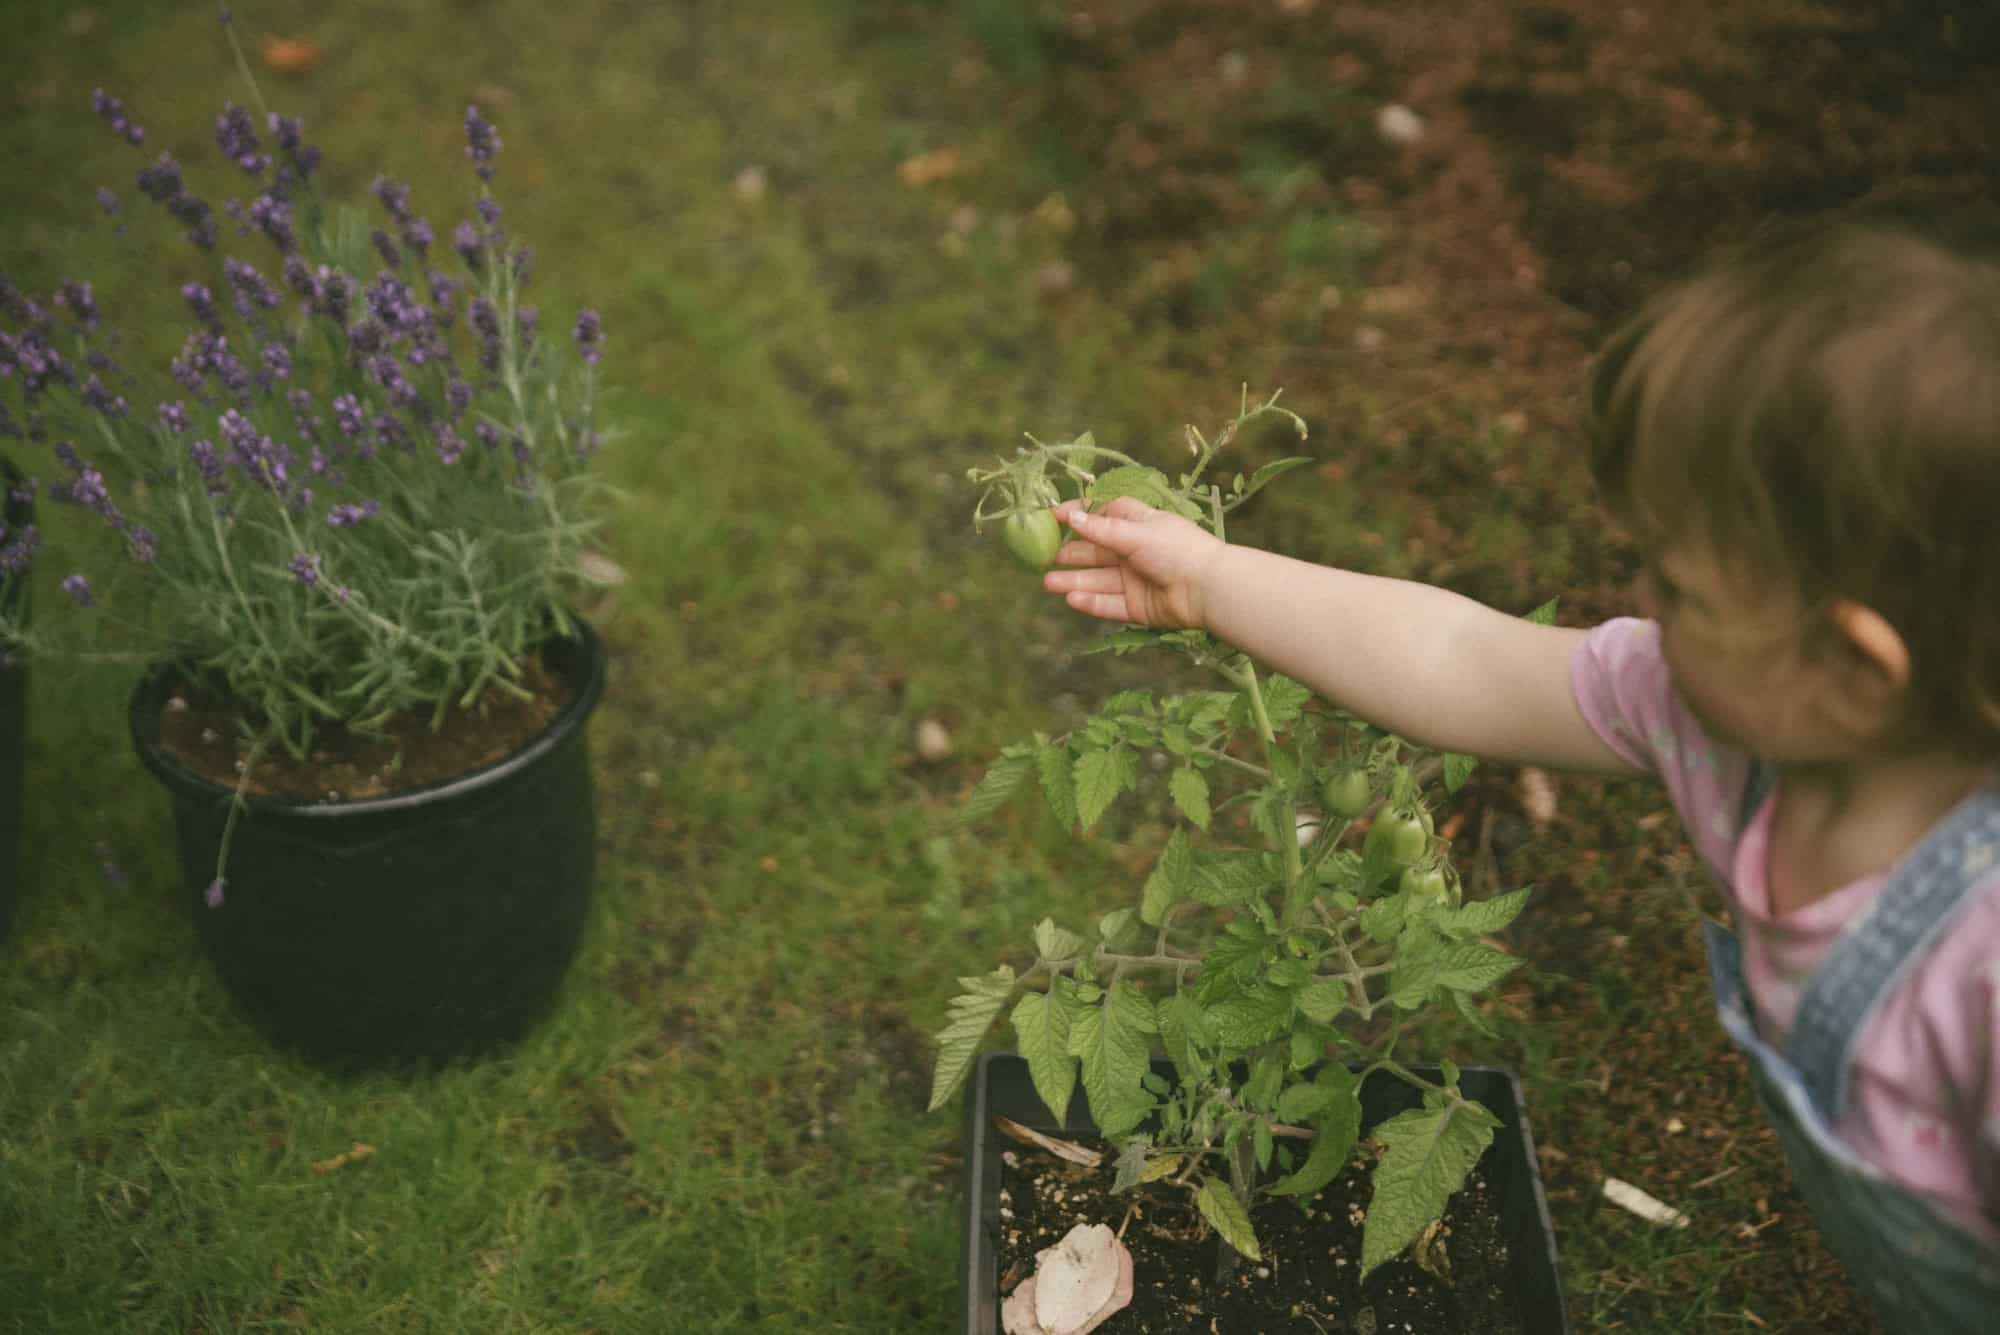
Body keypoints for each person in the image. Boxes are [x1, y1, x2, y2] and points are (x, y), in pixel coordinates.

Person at [1041, 206, 2000, 1332]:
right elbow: (1466, 660)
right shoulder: (1715, 722)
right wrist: (1210, 583)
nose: (1639, 599)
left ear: (1850, 666)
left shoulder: (1976, 965)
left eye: (1676, 588)